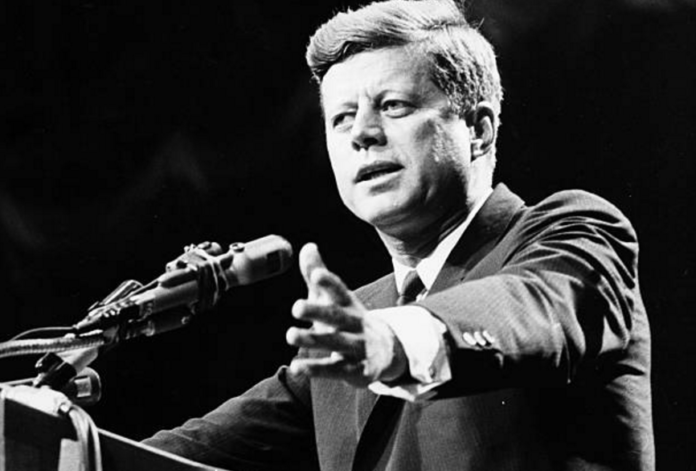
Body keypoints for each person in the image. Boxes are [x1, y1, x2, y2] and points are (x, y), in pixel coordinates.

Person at [143, 1, 655, 469]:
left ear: (479, 130)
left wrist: (394, 341)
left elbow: (531, 307)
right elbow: (175, 455)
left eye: (393, 106)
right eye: (341, 118)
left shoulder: (573, 234)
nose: (361, 134)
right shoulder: (355, 327)